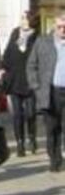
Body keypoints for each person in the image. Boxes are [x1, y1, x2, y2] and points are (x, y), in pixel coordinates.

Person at [27, 11, 65, 172]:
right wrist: (36, 86)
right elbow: (31, 65)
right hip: (51, 92)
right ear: (54, 27)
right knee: (52, 128)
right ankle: (54, 158)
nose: (63, 30)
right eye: (60, 27)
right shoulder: (43, 42)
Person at [2, 11, 38, 157]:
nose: (22, 21)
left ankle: (32, 138)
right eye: (21, 18)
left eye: (24, 18)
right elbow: (8, 53)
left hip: (30, 80)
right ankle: (20, 144)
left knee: (30, 113)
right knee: (17, 115)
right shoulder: (15, 33)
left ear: (31, 20)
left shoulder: (36, 37)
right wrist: (2, 67)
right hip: (14, 79)